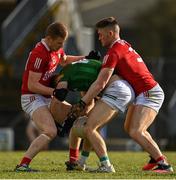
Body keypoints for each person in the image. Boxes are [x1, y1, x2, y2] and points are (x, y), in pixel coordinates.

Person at [69, 17, 173, 173]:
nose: (99, 37)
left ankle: (164, 165)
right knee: (130, 128)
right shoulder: (123, 45)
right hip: (143, 93)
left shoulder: (114, 52)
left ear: (110, 33)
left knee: (136, 131)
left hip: (149, 93)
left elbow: (100, 83)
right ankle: (155, 158)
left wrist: (83, 102)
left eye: (101, 34)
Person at [15, 22, 86, 172]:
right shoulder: (39, 54)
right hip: (32, 97)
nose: (61, 46)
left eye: (63, 43)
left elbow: (65, 60)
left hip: (45, 96)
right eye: (59, 43)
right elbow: (32, 85)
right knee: (50, 131)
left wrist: (85, 57)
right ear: (49, 38)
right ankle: (23, 165)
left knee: (76, 118)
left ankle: (73, 162)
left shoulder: (55, 48)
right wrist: (54, 92)